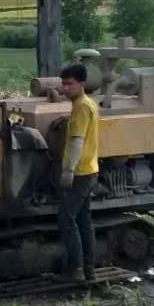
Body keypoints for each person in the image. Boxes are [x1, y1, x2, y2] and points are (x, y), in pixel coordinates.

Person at [57, 61, 99, 282]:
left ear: (82, 84)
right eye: (63, 84)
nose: (65, 88)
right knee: (84, 220)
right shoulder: (89, 103)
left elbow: (76, 140)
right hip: (91, 169)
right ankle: (88, 269)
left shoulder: (81, 107)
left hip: (80, 172)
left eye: (69, 84)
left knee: (65, 219)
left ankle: (75, 269)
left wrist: (68, 170)